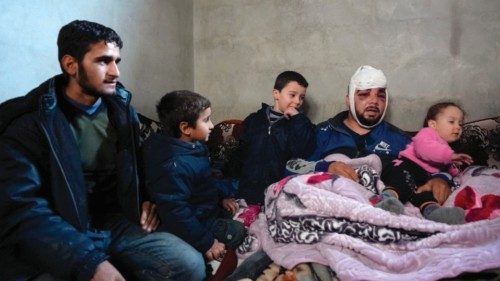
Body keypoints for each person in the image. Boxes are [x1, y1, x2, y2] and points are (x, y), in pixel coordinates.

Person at [0, 20, 204, 281]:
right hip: (61, 229)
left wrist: (147, 198)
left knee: (189, 265)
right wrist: (88, 261)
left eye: (117, 60)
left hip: (112, 224)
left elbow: (137, 167)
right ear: (70, 64)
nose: (115, 72)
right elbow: (22, 209)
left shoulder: (121, 110)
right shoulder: (30, 122)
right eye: (103, 61)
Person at [142, 90, 246, 263]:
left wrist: (221, 197)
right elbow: (176, 212)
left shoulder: (193, 145)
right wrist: (206, 243)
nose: (212, 125)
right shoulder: (173, 164)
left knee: (234, 211)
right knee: (238, 231)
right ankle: (198, 250)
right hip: (196, 220)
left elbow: (205, 180)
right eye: (206, 120)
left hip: (205, 207)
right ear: (185, 128)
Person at [228, 70, 316, 205]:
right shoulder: (254, 120)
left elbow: (304, 150)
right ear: (276, 94)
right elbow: (239, 154)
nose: (297, 101)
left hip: (278, 192)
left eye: (301, 97)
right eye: (292, 95)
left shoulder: (300, 124)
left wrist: (298, 119)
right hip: (248, 190)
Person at [378, 102, 472, 224]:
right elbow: (424, 149)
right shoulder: (427, 134)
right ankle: (387, 201)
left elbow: (446, 170)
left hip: (424, 178)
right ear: (433, 124)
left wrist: (455, 170)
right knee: (403, 181)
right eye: (451, 122)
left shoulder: (447, 150)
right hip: (405, 166)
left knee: (426, 193)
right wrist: (450, 156)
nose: (458, 127)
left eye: (460, 123)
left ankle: (434, 212)